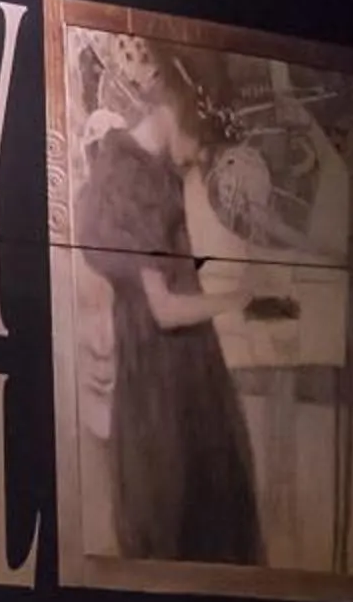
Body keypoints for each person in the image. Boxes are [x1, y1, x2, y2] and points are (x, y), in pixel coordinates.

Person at [73, 48, 268, 565]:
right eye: (203, 141)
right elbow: (162, 309)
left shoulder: (157, 174)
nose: (199, 157)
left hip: (186, 373)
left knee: (212, 521)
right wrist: (237, 297)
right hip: (161, 380)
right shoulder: (130, 176)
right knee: (174, 518)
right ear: (183, 110)